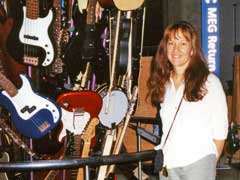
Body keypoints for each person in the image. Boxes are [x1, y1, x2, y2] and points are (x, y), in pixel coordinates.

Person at [147, 21, 229, 180]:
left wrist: (208, 165)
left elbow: (220, 131)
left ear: (192, 50)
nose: (176, 49)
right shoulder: (164, 83)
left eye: (183, 43)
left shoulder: (209, 82)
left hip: (198, 164)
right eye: (171, 43)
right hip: (169, 164)